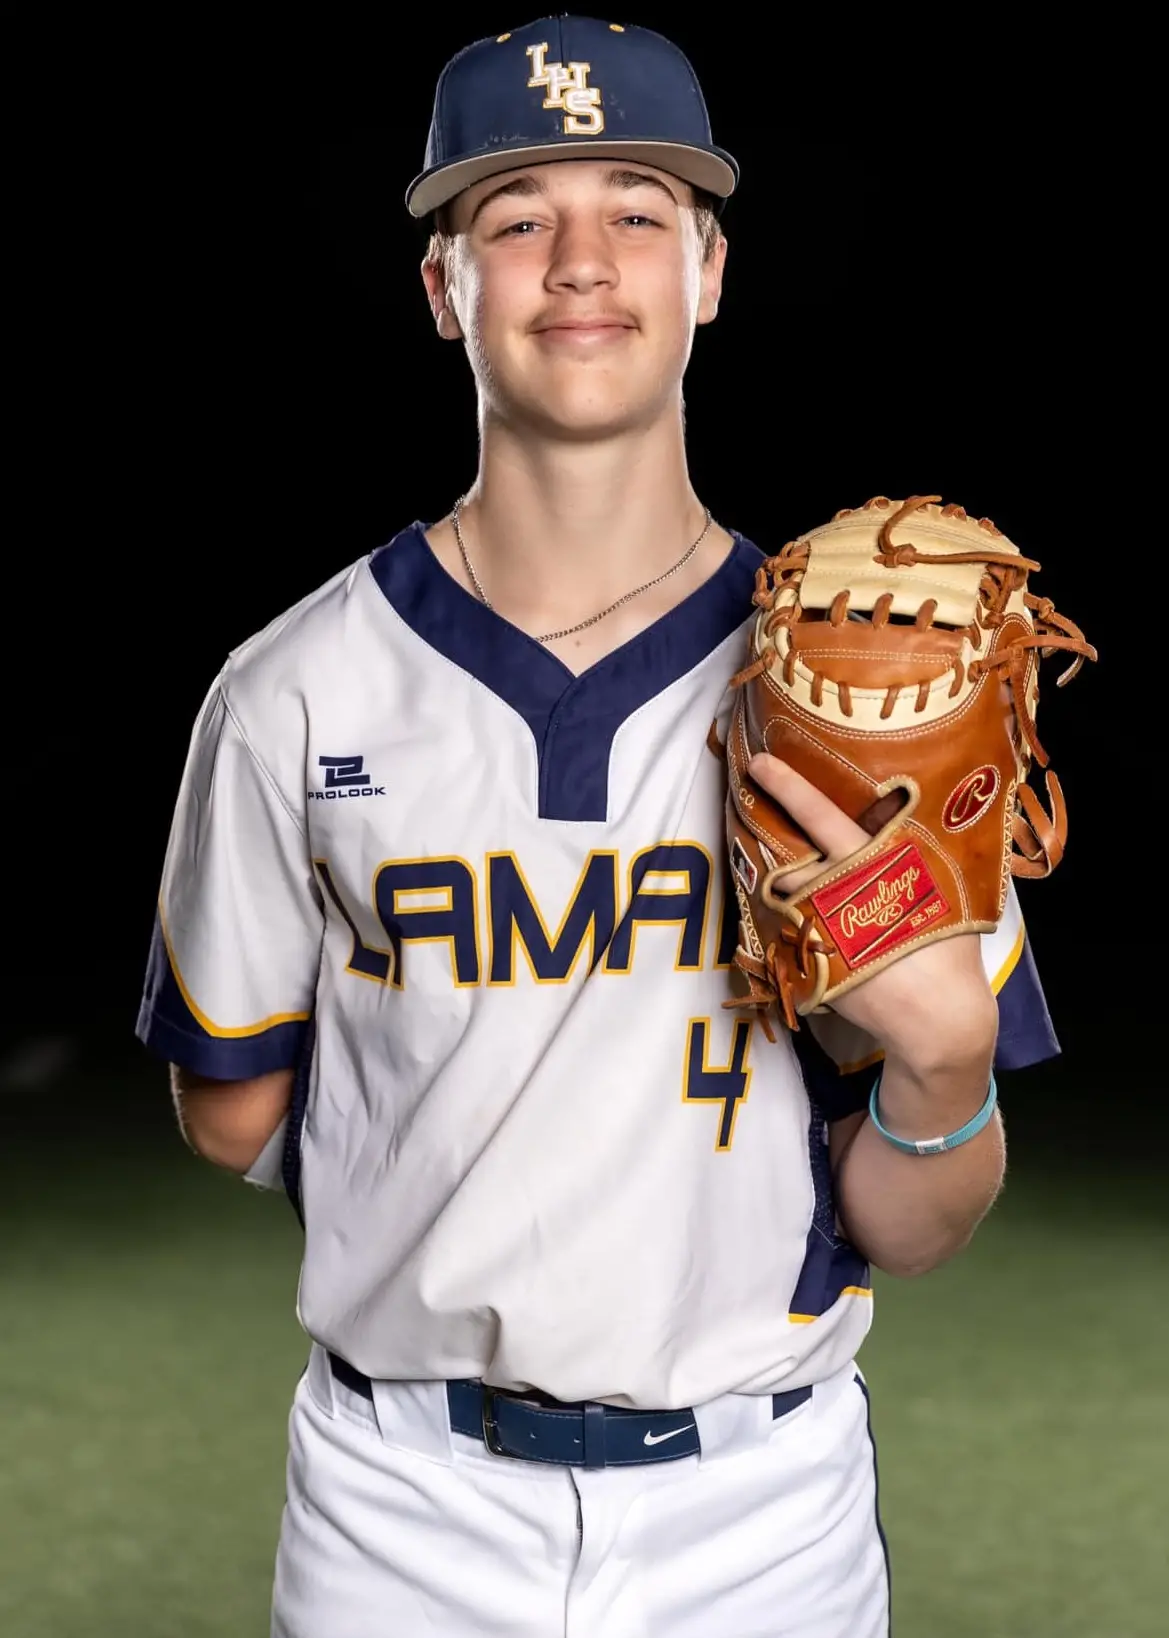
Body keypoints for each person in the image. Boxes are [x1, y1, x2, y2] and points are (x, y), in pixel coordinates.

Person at [136, 17, 1059, 1636]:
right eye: (514, 218)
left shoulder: (865, 686)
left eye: (638, 210)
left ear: (711, 272)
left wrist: (946, 1061)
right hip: (399, 1512)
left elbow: (914, 1225)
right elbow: (224, 1107)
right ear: (443, 288)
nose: (580, 260)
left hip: (759, 1517)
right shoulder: (294, 688)